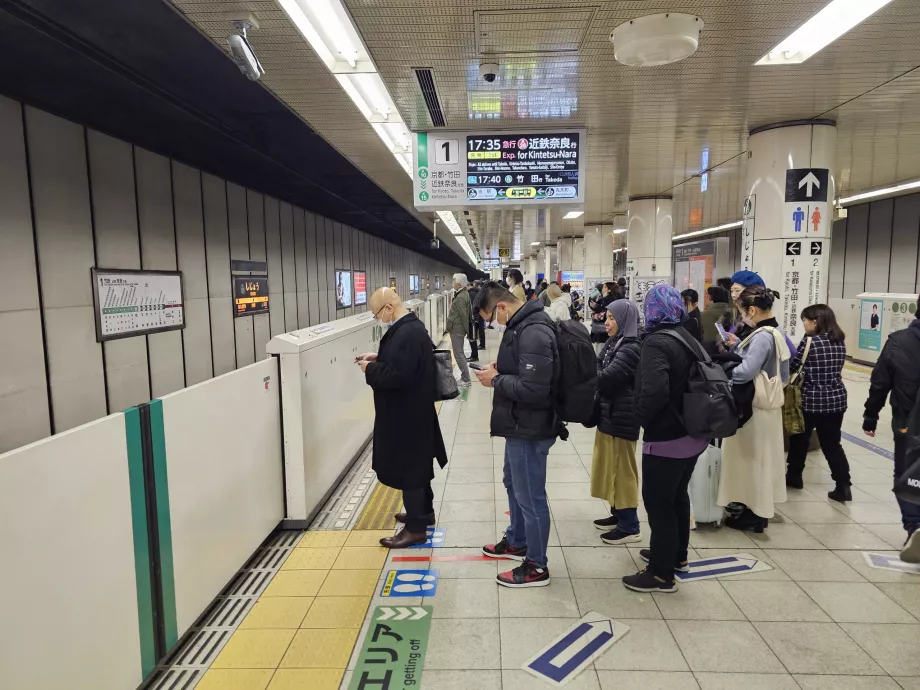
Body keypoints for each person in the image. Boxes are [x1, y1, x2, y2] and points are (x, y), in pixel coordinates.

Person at [473, 282, 561, 588]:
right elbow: (527, 370)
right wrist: (503, 367)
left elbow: (536, 389)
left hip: (531, 428)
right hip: (519, 425)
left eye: (490, 319)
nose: (491, 325)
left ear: (501, 307)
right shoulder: (522, 325)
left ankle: (537, 565)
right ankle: (518, 540)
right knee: (513, 483)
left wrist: (496, 380)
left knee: (530, 496)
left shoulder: (533, 330)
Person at [624, 285, 708, 594]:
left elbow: (655, 391)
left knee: (658, 502)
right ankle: (676, 555)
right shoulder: (687, 336)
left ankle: (660, 574)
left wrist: (639, 417)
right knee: (677, 497)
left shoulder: (656, 342)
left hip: (667, 436)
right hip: (693, 432)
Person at [358, 288, 447, 548]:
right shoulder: (411, 327)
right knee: (418, 464)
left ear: (388, 307)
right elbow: (405, 363)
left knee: (410, 469)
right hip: (414, 411)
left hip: (407, 415)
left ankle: (416, 528)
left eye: (377, 314)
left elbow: (399, 377)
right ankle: (424, 512)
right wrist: (380, 357)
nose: (378, 319)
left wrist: (370, 369)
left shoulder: (407, 332)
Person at [719, 286, 790, 533]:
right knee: (763, 459)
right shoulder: (775, 331)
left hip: (755, 408)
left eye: (743, 312)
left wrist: (726, 373)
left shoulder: (761, 336)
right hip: (768, 408)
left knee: (753, 460)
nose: (743, 317)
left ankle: (755, 515)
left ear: (752, 309)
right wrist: (739, 344)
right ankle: (757, 509)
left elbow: (747, 371)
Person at [863, 301, 920, 563]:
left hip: (908, 424)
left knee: (908, 476)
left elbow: (880, 381)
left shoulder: (898, 341)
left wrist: (871, 416)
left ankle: (915, 526)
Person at [785, 304, 851, 501]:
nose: (803, 324)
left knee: (799, 439)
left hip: (811, 401)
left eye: (805, 320)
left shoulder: (810, 342)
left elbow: (794, 366)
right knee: (832, 444)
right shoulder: (840, 342)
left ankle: (794, 476)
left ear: (815, 321)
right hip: (836, 400)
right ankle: (843, 485)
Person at [591, 300, 642, 545]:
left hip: (623, 417)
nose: (607, 323)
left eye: (612, 318)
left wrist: (593, 373)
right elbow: (599, 364)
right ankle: (618, 513)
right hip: (611, 413)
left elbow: (608, 377)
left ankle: (630, 525)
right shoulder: (615, 342)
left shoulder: (632, 347)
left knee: (623, 471)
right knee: (611, 466)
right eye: (607, 317)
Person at [447, 273, 473, 387]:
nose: (453, 283)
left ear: (458, 283)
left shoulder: (461, 296)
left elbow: (463, 315)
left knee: (458, 354)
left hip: (457, 329)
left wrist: (468, 332)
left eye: (454, 281)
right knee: (459, 353)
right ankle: (465, 377)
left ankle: (466, 379)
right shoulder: (462, 293)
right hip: (458, 328)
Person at [729, 270, 766, 341]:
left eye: (737, 290)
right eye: (731, 291)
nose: (733, 295)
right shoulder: (734, 315)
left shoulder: (761, 324)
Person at [701, 285, 733, 354]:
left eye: (705, 296)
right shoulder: (735, 315)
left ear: (710, 298)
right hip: (731, 355)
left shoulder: (702, 316)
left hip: (708, 355)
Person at [469, 280, 485, 350]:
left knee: (477, 330)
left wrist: (473, 314)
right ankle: (482, 344)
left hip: (477, 313)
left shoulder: (472, 293)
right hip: (481, 312)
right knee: (481, 329)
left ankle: (481, 345)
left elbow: (473, 305)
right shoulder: (479, 292)